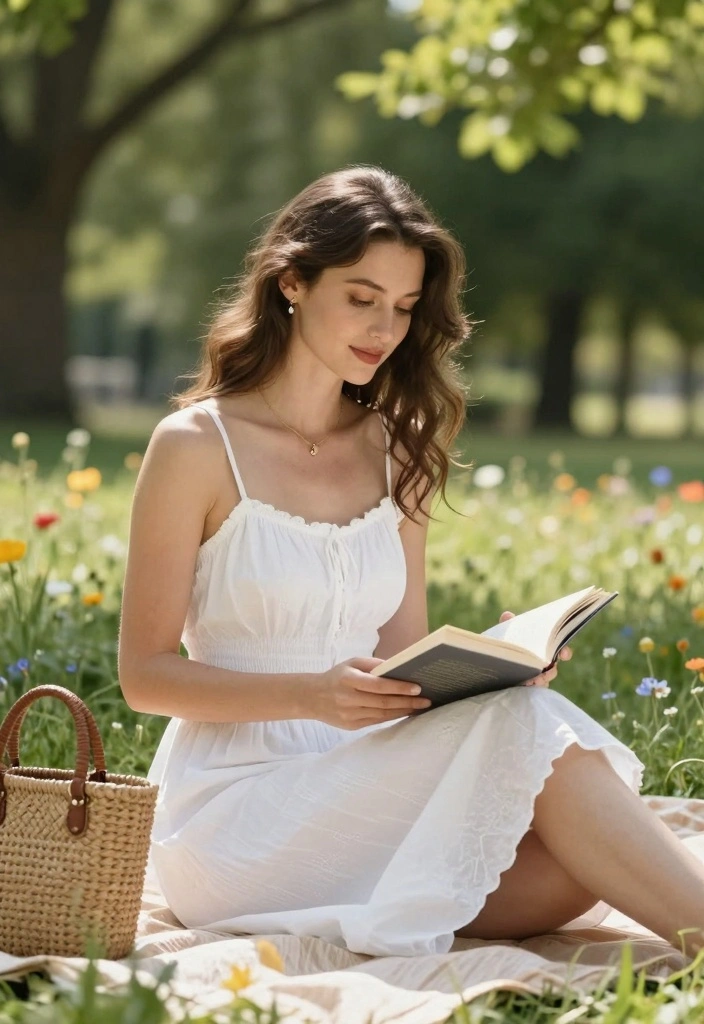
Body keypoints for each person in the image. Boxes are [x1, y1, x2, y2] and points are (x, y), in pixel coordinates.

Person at [118, 165, 704, 959]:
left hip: (366, 778)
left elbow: (402, 660)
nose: (384, 328)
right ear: (292, 282)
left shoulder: (399, 448)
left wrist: (490, 671)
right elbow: (145, 677)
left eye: (402, 306)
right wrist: (312, 695)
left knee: (572, 872)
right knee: (548, 765)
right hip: (232, 814)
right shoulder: (195, 446)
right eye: (361, 298)